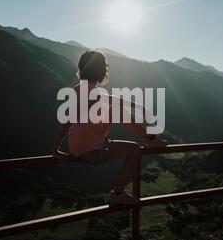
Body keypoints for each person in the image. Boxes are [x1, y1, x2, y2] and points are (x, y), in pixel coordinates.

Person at [52, 50, 168, 205]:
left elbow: (70, 119)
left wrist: (135, 105)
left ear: (82, 68)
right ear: (102, 71)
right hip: (92, 151)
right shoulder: (93, 91)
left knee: (115, 110)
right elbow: (110, 104)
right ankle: (118, 192)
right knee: (133, 148)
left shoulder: (79, 88)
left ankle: (149, 138)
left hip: (77, 148)